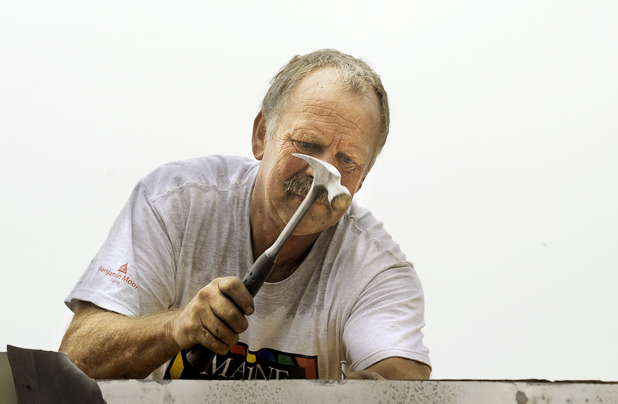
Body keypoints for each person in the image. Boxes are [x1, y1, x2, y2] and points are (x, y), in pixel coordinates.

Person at [59, 49, 431, 381]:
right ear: (261, 135)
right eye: (307, 145)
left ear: (361, 180)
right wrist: (176, 327)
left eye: (347, 161)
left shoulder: (377, 267)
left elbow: (402, 379)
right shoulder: (174, 203)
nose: (322, 174)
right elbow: (76, 358)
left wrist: (375, 391)